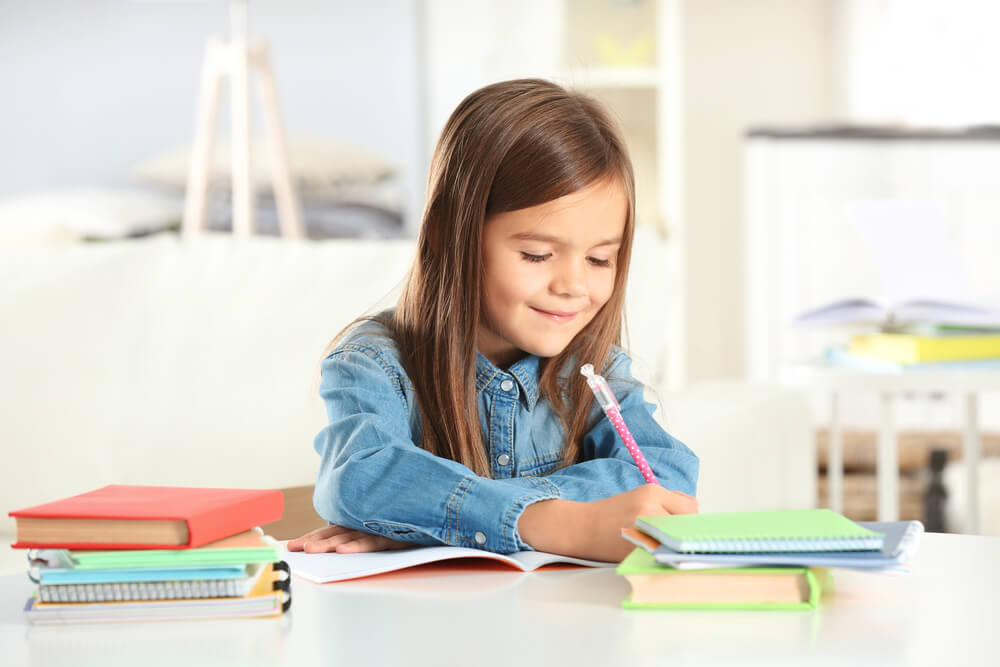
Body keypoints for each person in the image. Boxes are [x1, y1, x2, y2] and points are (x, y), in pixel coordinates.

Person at [287, 79, 698, 563]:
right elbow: (361, 477)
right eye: (537, 254)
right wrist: (545, 521)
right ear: (447, 235)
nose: (572, 285)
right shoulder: (372, 362)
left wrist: (436, 520)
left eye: (599, 259)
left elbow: (666, 479)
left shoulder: (594, 372)